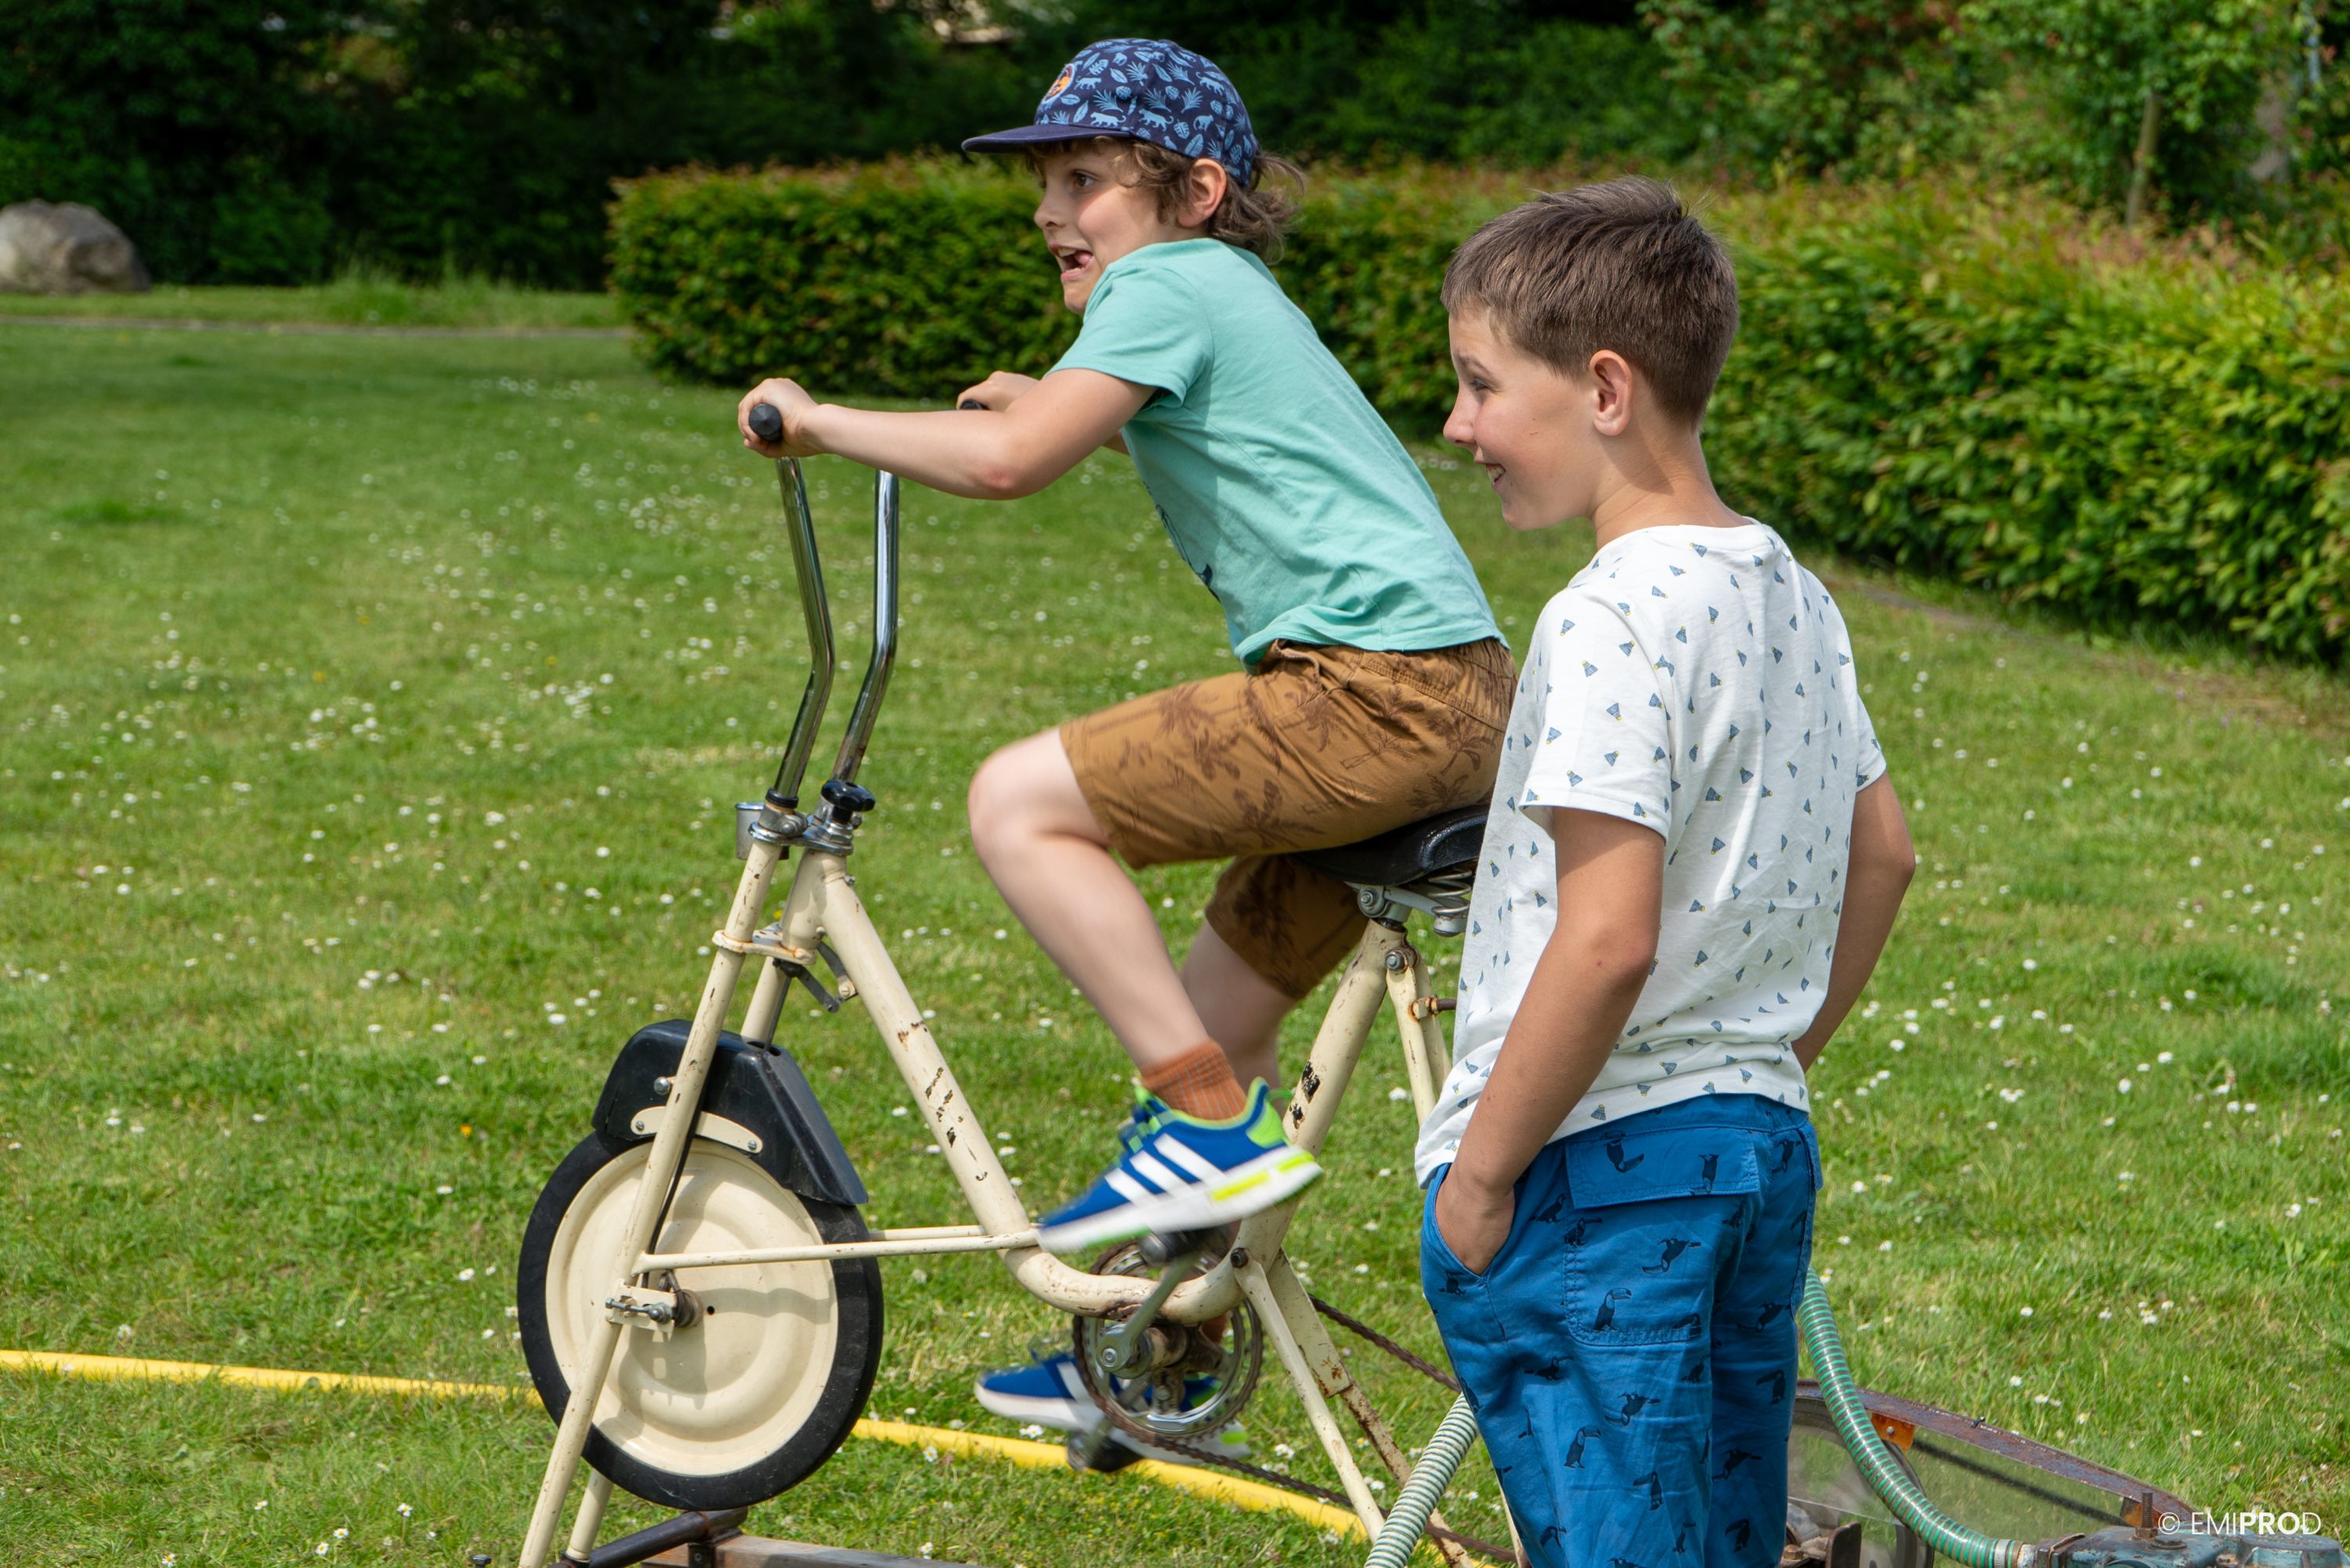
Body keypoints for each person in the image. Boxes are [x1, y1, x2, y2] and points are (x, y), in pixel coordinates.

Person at [736, 37, 1510, 1451]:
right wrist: (1047, 403)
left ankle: (1206, 1139)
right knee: (1215, 1019)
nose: (1051, 211)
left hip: (1375, 696)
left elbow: (1009, 465)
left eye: (1084, 178)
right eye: (1044, 183)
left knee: (1018, 802)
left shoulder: (1168, 282)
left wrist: (821, 422)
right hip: (1451, 702)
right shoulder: (1221, 292)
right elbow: (1186, 433)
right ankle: (1151, 1355)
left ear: (1195, 190)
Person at [1415, 177, 1917, 1568]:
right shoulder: (1795, 592)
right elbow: (1885, 852)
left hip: (1596, 1166)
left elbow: (1607, 938)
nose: (1457, 424)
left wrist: (1481, 1180)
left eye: (1480, 384)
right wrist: (1765, 1057)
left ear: (1606, 388)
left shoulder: (1609, 615)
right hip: (1757, 1152)